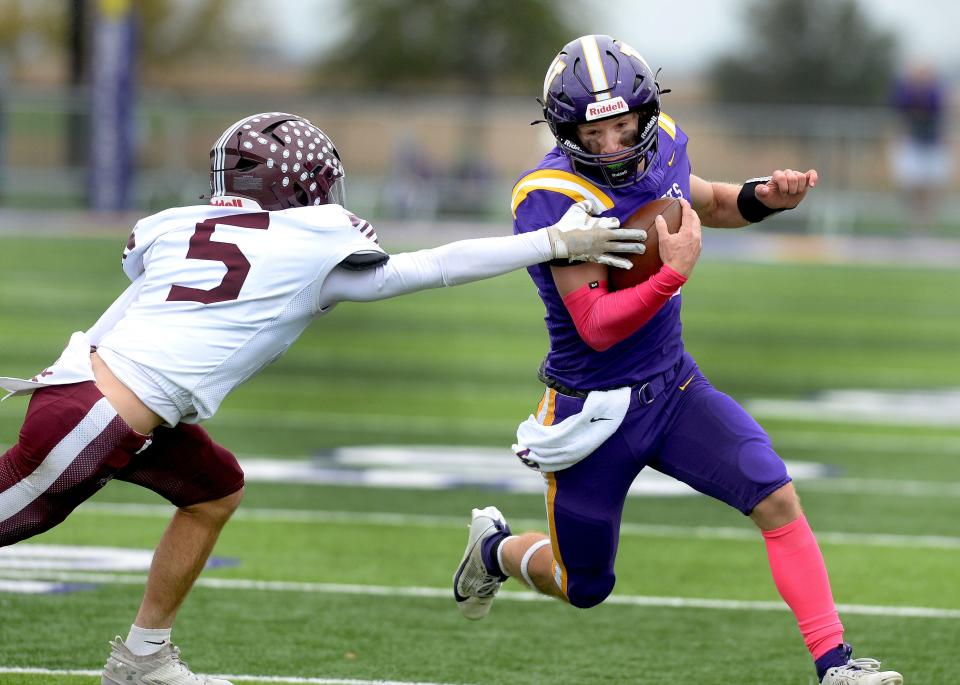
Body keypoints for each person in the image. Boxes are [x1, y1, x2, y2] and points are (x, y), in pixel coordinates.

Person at [0, 111, 648, 685]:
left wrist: (62, 377)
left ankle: (142, 658)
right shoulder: (311, 239)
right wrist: (554, 242)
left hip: (97, 397)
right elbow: (431, 266)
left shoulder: (175, 224)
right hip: (99, 418)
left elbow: (134, 301)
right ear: (303, 184)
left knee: (214, 488)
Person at [452, 36, 904, 685]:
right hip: (593, 411)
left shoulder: (662, 138)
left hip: (674, 386)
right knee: (583, 584)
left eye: (620, 125)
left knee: (775, 496)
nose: (611, 143)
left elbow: (708, 202)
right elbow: (597, 325)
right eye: (593, 130)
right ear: (565, 129)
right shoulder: (551, 194)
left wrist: (764, 199)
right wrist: (671, 276)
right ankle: (495, 548)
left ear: (641, 113)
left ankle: (835, 663)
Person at [889, 63, 951, 233]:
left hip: (932, 144)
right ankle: (914, 222)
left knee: (932, 186)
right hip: (912, 143)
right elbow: (899, 118)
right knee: (910, 183)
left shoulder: (936, 93)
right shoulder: (905, 93)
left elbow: (944, 115)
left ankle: (927, 224)